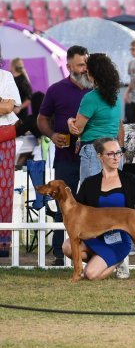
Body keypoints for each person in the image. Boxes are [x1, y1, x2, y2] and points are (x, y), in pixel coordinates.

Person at [65, 138, 135, 280]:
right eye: (111, 154)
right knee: (68, 246)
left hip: (118, 240)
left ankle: (117, 261)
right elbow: (78, 210)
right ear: (100, 156)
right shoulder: (90, 183)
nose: (116, 157)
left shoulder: (129, 180)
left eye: (118, 153)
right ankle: (97, 262)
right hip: (96, 238)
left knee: (91, 275)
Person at [38, 45, 91, 265]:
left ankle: (88, 251)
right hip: (65, 157)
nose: (85, 68)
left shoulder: (95, 91)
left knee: (89, 203)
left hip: (91, 155)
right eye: (80, 64)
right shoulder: (56, 89)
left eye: (87, 64)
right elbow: (41, 119)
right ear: (68, 66)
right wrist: (52, 134)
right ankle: (61, 253)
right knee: (63, 204)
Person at [67, 53, 125, 186]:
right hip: (114, 151)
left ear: (92, 74)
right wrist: (121, 150)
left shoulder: (91, 97)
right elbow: (120, 127)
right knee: (111, 196)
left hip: (94, 150)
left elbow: (77, 129)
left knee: (91, 198)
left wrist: (70, 121)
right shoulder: (115, 97)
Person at [0, 46, 22, 257]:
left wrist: (4, 105)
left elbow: (10, 107)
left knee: (3, 190)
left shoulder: (5, 76)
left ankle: (2, 244)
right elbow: (3, 105)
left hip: (3, 139)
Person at [10, 58, 32, 129]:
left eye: (11, 64)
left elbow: (30, 99)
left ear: (14, 66)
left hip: (20, 116)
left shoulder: (23, 80)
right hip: (10, 114)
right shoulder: (10, 78)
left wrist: (19, 108)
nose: (9, 66)